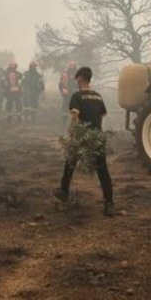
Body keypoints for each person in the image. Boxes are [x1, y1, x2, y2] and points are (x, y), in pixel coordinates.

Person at [53, 66, 115, 217]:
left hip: (82, 135)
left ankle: (64, 192)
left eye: (77, 78)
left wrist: (72, 134)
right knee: (102, 170)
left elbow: (75, 116)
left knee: (70, 162)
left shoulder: (77, 96)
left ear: (80, 78)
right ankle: (109, 204)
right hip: (97, 136)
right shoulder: (98, 96)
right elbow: (102, 115)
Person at [58, 61, 78, 125]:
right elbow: (61, 82)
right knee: (65, 105)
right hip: (67, 92)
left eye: (72, 65)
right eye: (70, 65)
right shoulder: (65, 73)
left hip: (75, 92)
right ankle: (64, 121)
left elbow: (80, 82)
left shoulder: (78, 73)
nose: (71, 66)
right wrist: (63, 89)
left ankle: (75, 121)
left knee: (76, 106)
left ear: (74, 65)